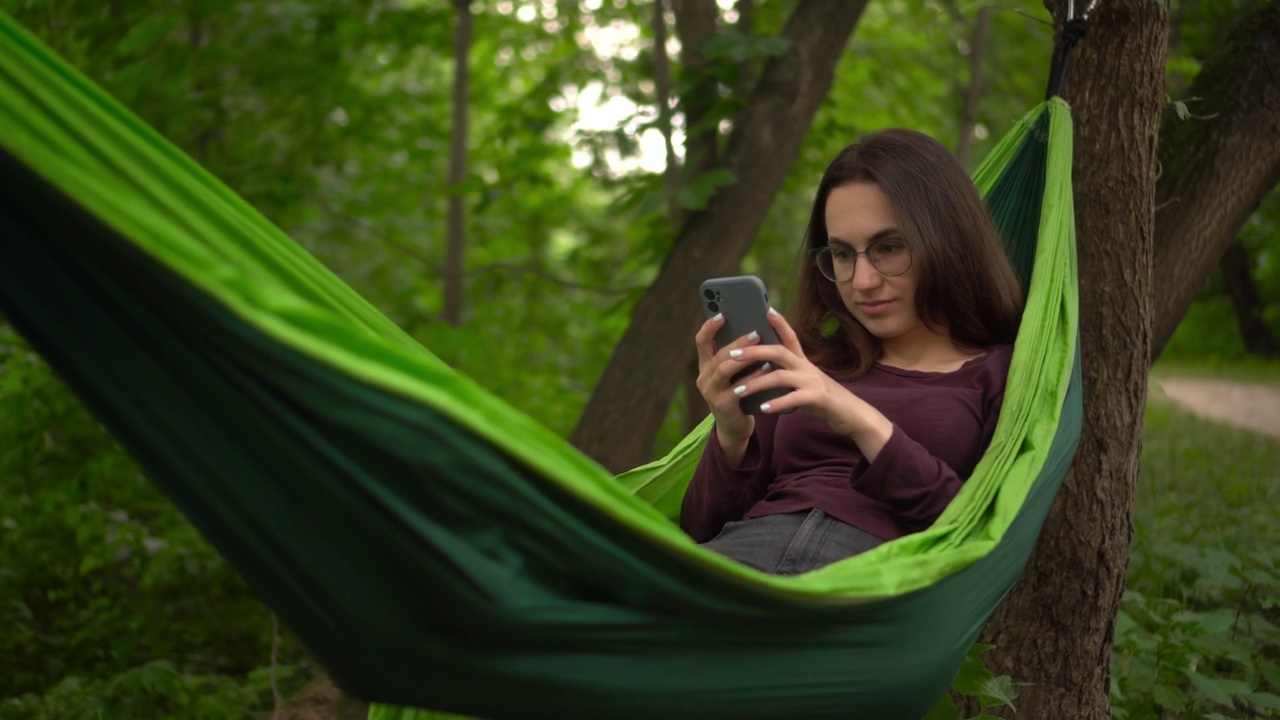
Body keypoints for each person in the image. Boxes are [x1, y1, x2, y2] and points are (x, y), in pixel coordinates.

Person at [680, 128, 1025, 575]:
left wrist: (860, 419)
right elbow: (700, 529)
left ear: (947, 240)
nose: (862, 281)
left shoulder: (1000, 374)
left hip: (867, 591)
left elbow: (977, 535)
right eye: (843, 254)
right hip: (738, 570)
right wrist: (731, 434)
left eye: (888, 247)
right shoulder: (809, 362)